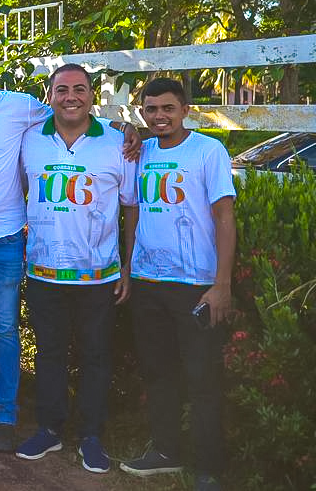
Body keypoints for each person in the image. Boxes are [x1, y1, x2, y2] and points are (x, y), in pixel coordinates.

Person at [0, 41, 139, 452]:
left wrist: (128, 129)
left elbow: (75, 114)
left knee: (5, 329)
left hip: (6, 238)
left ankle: (6, 416)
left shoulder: (22, 107)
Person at [15, 64, 136, 474]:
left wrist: (127, 264)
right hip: (42, 272)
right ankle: (49, 429)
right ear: (49, 95)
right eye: (62, 89)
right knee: (49, 354)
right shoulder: (29, 139)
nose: (71, 97)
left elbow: (131, 207)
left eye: (79, 89)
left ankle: (91, 436)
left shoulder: (118, 144)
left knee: (95, 356)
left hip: (97, 275)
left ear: (91, 95)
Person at [120, 78, 236, 491]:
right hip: (149, 281)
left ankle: (209, 467)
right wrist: (129, 268)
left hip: (196, 285)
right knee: (158, 372)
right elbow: (132, 213)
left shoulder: (208, 151)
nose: (159, 117)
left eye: (167, 108)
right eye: (150, 110)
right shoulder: (140, 151)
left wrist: (222, 284)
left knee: (202, 377)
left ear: (185, 109)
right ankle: (166, 452)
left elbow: (224, 217)